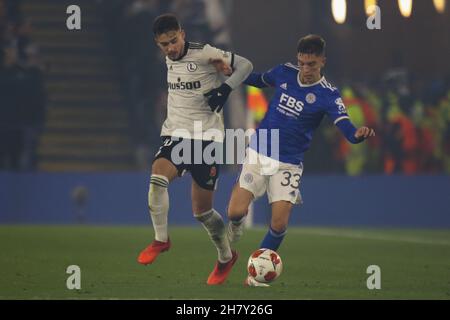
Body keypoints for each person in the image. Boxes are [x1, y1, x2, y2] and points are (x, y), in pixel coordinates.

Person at [217, 34, 375, 286]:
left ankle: (256, 275)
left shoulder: (328, 95)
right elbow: (258, 80)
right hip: (259, 152)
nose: (306, 69)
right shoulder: (284, 72)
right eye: (302, 62)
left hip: (289, 163)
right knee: (235, 211)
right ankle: (236, 223)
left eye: (311, 64)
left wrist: (356, 135)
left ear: (322, 61)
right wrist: (231, 73)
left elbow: (344, 124)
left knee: (279, 223)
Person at [137, 13, 253, 285]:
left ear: (183, 34)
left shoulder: (205, 53)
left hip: (207, 139)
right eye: (164, 44)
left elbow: (246, 65)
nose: (171, 48)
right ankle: (160, 240)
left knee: (202, 212)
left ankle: (226, 257)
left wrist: (225, 89)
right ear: (158, 44)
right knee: (157, 178)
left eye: (174, 41)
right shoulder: (166, 59)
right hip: (176, 134)